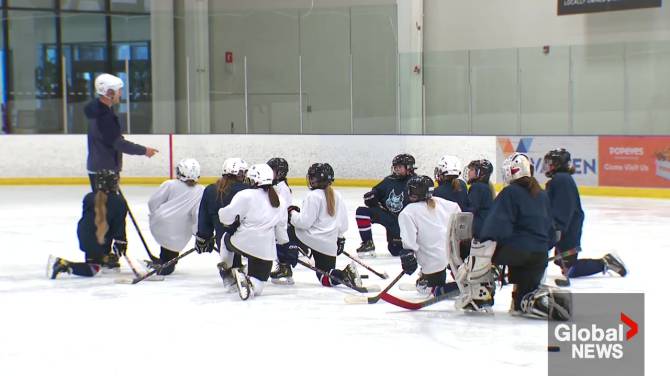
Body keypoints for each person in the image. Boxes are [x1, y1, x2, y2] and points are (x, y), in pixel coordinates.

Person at [456, 153, 571, 320]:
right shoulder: (541, 194)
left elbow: (495, 226)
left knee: (479, 247)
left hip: (517, 254)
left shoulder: (510, 192)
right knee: (520, 305)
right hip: (539, 257)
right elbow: (551, 233)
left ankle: (481, 296)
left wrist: (479, 244)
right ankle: (525, 299)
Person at [272, 163, 362, 288]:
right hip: (330, 243)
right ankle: (344, 274)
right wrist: (340, 239)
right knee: (325, 278)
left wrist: (291, 213)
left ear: (316, 180)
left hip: (313, 239)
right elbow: (343, 224)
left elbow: (304, 223)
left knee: (285, 230)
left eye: (312, 177)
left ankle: (285, 266)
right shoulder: (337, 195)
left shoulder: (313, 196)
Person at [543, 148, 626, 279]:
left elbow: (564, 207)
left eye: (551, 163)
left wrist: (557, 228)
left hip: (569, 226)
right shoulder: (559, 179)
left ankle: (606, 262)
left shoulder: (561, 180)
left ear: (559, 164)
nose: (548, 166)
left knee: (569, 268)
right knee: (563, 263)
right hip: (568, 225)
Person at [218, 164, 290, 299]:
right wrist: (284, 246)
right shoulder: (280, 200)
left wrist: (222, 215)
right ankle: (250, 283)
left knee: (225, 239)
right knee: (257, 287)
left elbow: (226, 218)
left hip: (242, 242)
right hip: (265, 251)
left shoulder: (245, 195)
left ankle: (227, 271)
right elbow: (281, 233)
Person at [48, 170, 129, 279]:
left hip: (85, 236)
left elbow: (92, 221)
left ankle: (103, 258)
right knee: (93, 270)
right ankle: (63, 264)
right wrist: (120, 242)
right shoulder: (119, 201)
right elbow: (118, 226)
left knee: (97, 254)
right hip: (99, 239)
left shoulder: (89, 197)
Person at [85, 73, 158, 190]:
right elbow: (118, 143)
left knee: (111, 206)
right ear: (109, 93)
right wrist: (144, 150)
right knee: (111, 206)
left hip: (102, 168)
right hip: (104, 171)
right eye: (119, 90)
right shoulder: (104, 117)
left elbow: (114, 139)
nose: (120, 94)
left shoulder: (102, 112)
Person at [397, 175, 462, 297]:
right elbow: (461, 220)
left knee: (425, 289)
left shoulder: (408, 212)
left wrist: (408, 255)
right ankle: (460, 280)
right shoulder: (447, 204)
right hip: (456, 257)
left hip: (434, 262)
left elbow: (409, 244)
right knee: (425, 281)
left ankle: (454, 288)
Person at [194, 158, 248, 286]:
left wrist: (203, 238)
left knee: (226, 236)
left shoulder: (210, 190)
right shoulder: (250, 190)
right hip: (251, 243)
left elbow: (204, 220)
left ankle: (228, 272)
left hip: (224, 243)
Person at [147, 159, 205, 275]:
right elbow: (197, 213)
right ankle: (166, 264)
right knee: (172, 247)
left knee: (167, 244)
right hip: (181, 229)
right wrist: (199, 232)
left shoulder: (170, 184)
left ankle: (164, 262)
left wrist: (156, 214)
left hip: (160, 223)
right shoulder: (201, 190)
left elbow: (152, 202)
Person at [355, 153, 416, 258]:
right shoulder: (389, 180)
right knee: (362, 212)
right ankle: (367, 243)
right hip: (389, 217)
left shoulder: (415, 182)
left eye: (400, 167)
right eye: (395, 167)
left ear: (409, 168)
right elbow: (376, 192)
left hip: (406, 223)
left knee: (395, 251)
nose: (396, 170)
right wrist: (372, 196)